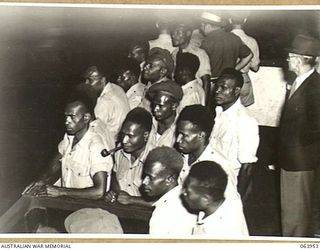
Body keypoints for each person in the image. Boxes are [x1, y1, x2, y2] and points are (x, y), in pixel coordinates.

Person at [33, 92, 113, 199]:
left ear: (86, 118)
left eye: (72, 117)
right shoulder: (69, 137)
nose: (67, 121)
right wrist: (40, 180)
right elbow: (56, 163)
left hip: (87, 207)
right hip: (67, 203)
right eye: (66, 116)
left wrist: (61, 192)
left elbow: (99, 192)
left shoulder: (96, 146)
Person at [278, 34, 320, 237]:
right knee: (291, 213)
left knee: (296, 216)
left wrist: (294, 145)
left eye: (289, 56)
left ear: (298, 58)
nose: (287, 60)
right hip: (292, 159)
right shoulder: (301, 82)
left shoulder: (315, 87)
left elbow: (316, 126)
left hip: (299, 161)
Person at [210, 68, 259, 203]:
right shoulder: (219, 112)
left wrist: (237, 199)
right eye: (217, 86)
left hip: (229, 185)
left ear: (237, 91)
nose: (217, 91)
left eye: (223, 87)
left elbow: (247, 167)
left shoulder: (245, 121)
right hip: (212, 181)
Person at [175, 105, 238, 197]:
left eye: (184, 135)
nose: (178, 140)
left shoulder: (221, 168)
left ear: (201, 135)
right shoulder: (180, 156)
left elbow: (231, 206)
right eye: (178, 133)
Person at [199, 11, 252, 110]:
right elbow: (249, 55)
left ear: (207, 25)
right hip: (228, 86)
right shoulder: (234, 38)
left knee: (209, 112)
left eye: (202, 25)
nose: (201, 29)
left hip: (211, 85)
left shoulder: (207, 41)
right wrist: (233, 70)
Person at [181, 161, 249, 237]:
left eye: (188, 192)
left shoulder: (215, 232)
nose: (183, 192)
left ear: (205, 199)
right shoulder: (231, 200)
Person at [142, 146, 197, 235]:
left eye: (151, 178)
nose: (144, 182)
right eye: (145, 176)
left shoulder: (166, 212)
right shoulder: (183, 199)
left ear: (169, 180)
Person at [105, 107, 154, 204]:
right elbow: (115, 176)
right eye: (123, 134)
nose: (124, 141)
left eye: (130, 136)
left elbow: (164, 201)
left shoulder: (156, 159)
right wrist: (113, 194)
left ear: (146, 135)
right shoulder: (119, 152)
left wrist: (132, 200)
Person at [83, 65, 130, 140]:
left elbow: (91, 131)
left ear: (102, 80)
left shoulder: (104, 101)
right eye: (85, 80)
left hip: (108, 143)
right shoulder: (116, 87)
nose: (86, 83)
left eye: (90, 80)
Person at [171, 22, 211, 105]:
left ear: (188, 33)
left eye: (178, 33)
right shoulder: (174, 54)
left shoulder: (199, 53)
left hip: (194, 97)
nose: (174, 36)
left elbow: (206, 81)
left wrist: (204, 107)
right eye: (173, 33)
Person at [229, 12, 260, 107]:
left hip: (226, 78)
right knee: (242, 111)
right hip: (243, 79)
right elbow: (255, 68)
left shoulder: (224, 39)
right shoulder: (251, 41)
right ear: (245, 20)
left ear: (230, 20)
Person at [147, 79, 183, 147]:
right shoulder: (149, 123)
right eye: (154, 104)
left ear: (174, 106)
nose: (155, 109)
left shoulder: (180, 131)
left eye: (160, 106)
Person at [139, 47, 175, 111]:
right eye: (146, 64)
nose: (145, 68)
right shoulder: (151, 84)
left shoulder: (163, 91)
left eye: (150, 66)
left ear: (163, 71)